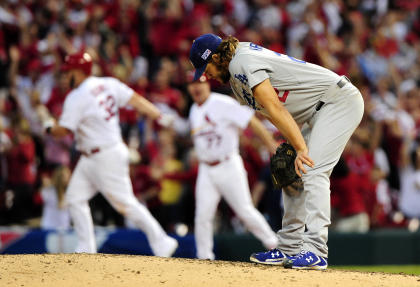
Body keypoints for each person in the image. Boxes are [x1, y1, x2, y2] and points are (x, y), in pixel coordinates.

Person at [189, 34, 364, 269]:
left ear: (218, 57)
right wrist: (293, 145)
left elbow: (274, 106)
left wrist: (301, 147)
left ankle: (316, 250)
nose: (204, 75)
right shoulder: (234, 77)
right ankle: (289, 247)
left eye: (205, 66)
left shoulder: (241, 61)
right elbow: (276, 112)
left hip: (337, 102)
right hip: (314, 113)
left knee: (312, 169)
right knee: (291, 172)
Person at [44, 52, 178, 257]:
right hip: (93, 156)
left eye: (69, 72)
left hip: (104, 155)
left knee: (125, 204)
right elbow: (135, 99)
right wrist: (158, 115)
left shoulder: (76, 96)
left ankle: (161, 241)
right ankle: (86, 248)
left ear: (79, 72)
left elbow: (63, 131)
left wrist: (48, 128)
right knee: (75, 197)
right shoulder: (108, 83)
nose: (66, 77)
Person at [187, 73, 278, 260]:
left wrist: (271, 145)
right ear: (188, 88)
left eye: (200, 83)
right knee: (202, 216)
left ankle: (274, 245)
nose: (196, 87)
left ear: (207, 85)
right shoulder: (194, 110)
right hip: (206, 169)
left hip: (228, 164)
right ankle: (204, 257)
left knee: (244, 211)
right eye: (192, 84)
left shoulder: (222, 103)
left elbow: (251, 121)